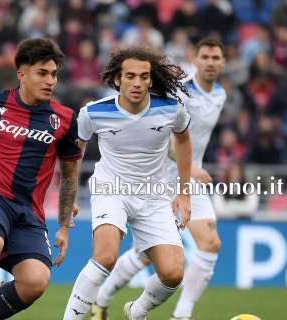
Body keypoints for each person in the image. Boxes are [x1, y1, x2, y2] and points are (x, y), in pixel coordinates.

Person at [91, 37, 226, 320]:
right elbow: (161, 134)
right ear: (196, 59)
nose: (211, 63)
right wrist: (188, 166)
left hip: (189, 179)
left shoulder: (220, 95)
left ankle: (181, 314)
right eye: (205, 57)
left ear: (223, 62)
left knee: (210, 244)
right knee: (144, 255)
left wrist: (192, 170)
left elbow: (192, 142)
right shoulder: (181, 93)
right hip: (161, 177)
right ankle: (102, 298)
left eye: (216, 58)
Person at [0, 38, 82, 320]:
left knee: (35, 281)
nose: (50, 80)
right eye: (42, 73)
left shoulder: (64, 119)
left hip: (28, 211)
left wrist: (63, 225)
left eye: (54, 74)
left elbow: (70, 176)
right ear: (21, 73)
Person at [62, 47, 193, 320]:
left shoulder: (171, 109)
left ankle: (137, 311)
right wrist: (69, 195)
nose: (137, 82)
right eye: (130, 76)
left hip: (154, 195)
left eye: (143, 77)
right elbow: (75, 153)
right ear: (117, 79)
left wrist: (184, 193)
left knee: (173, 274)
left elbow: (182, 140)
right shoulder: (93, 113)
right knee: (106, 257)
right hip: (111, 189)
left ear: (150, 80)